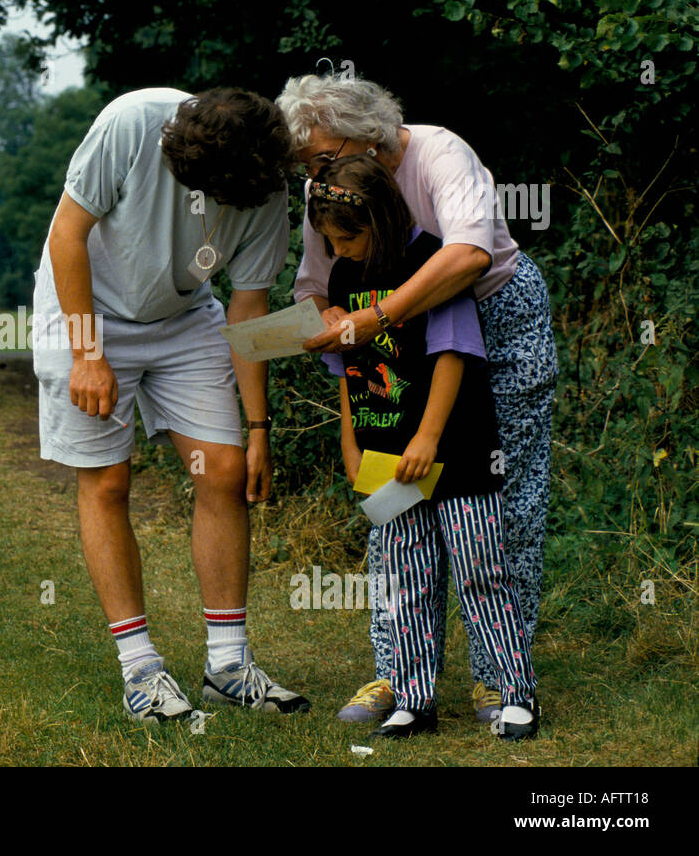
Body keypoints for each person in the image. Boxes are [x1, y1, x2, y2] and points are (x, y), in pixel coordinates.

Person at [277, 73, 557, 725]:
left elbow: (467, 257)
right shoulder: (332, 195)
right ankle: (400, 677)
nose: (313, 176)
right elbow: (316, 286)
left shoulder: (439, 153)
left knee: (498, 509)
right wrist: (336, 332)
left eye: (320, 158)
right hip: (393, 363)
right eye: (306, 166)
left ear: (363, 135)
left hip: (495, 324)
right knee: (394, 517)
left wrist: (379, 318)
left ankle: (498, 680)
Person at [34, 87, 310, 721]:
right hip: (84, 307)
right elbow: (67, 235)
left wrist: (258, 425)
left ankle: (228, 665)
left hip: (185, 317)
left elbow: (248, 306)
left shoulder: (267, 179)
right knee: (107, 483)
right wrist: (87, 354)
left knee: (224, 469)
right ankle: (141, 671)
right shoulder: (132, 122)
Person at [312, 154, 539, 740]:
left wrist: (428, 437)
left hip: (455, 451)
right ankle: (414, 698)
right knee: (405, 576)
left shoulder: (431, 262)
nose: (337, 252)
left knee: (480, 568)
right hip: (385, 457)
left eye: (346, 239)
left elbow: (453, 352)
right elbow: (348, 371)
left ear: (382, 220)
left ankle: (515, 693)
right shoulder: (342, 278)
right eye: (328, 241)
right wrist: (352, 443)